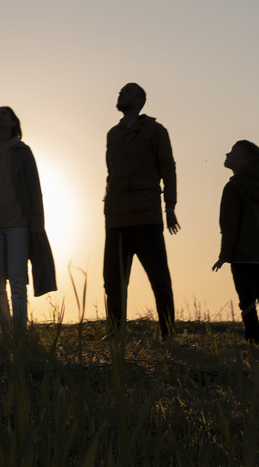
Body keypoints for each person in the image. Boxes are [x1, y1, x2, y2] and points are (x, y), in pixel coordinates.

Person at [0, 106, 56, 337]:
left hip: (19, 224)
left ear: (14, 122)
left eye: (4, 113)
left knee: (17, 280)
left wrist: (37, 224)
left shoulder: (23, 152)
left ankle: (20, 333)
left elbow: (35, 190)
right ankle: (7, 332)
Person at [103, 83, 180, 340]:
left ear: (139, 99)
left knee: (159, 280)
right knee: (113, 283)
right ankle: (116, 335)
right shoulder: (112, 134)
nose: (120, 94)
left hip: (146, 216)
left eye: (126, 92)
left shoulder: (156, 131)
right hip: (116, 219)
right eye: (120, 92)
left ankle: (168, 334)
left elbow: (168, 168)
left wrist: (170, 206)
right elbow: (110, 173)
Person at [211, 140, 259, 344]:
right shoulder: (258, 186)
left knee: (247, 302)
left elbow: (229, 226)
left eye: (232, 152)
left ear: (242, 162)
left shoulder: (233, 187)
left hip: (241, 255)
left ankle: (252, 342)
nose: (226, 154)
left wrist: (224, 255)